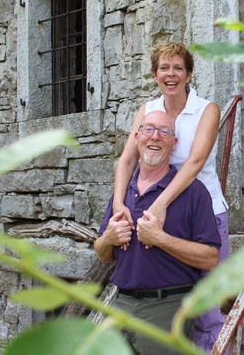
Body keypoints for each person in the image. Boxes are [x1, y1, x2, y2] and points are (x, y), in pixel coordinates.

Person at [112, 43, 229, 351]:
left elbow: (194, 162)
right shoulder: (148, 111)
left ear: (188, 74)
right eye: (164, 68)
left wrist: (160, 204)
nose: (171, 74)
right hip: (156, 217)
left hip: (203, 212)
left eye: (178, 67)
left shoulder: (207, 110)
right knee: (174, 301)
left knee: (209, 309)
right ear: (155, 75)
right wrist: (118, 204)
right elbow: (126, 160)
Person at [95, 111, 221, 355]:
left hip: (167, 310)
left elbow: (211, 258)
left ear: (174, 144)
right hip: (120, 304)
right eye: (148, 129)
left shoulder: (193, 192)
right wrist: (107, 238)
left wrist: (160, 239)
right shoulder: (122, 194)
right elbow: (103, 255)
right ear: (136, 137)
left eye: (165, 132)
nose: (155, 137)